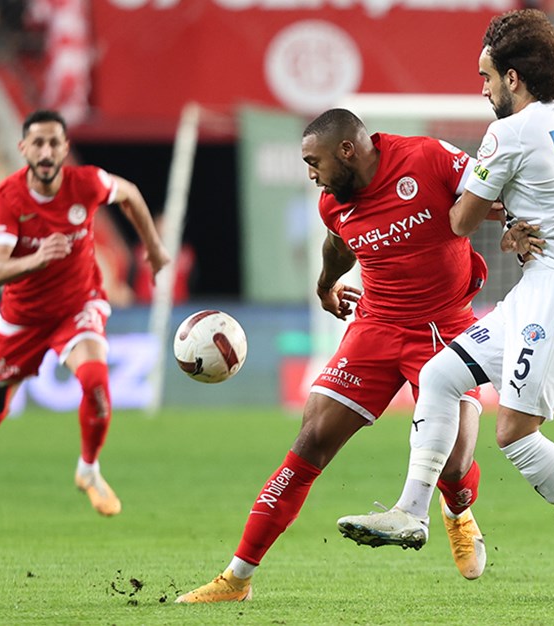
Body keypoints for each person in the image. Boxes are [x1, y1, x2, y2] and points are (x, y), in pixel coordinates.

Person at [340, 9, 554, 601]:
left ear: (513, 78)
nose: (482, 89)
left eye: (486, 77)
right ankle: (411, 512)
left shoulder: (510, 132)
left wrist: (446, 199)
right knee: (440, 375)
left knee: (515, 434)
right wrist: (512, 224)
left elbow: (458, 220)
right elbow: (541, 199)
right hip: (550, 282)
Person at [176, 108, 516, 603]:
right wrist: (324, 286)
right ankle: (237, 578)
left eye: (314, 162)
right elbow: (339, 246)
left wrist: (522, 224)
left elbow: (495, 190)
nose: (311, 174)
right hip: (375, 328)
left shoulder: (425, 157)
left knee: (454, 466)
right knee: (310, 442)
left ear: (347, 150)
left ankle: (458, 512)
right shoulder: (333, 203)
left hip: (444, 328)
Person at [0, 109, 171, 538]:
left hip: (77, 306)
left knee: (96, 381)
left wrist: (152, 248)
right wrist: (38, 257)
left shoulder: (87, 183)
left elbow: (131, 194)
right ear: (23, 148)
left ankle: (89, 470)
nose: (45, 151)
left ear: (65, 148)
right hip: (22, 320)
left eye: (53, 143)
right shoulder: (7, 198)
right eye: (37, 143)